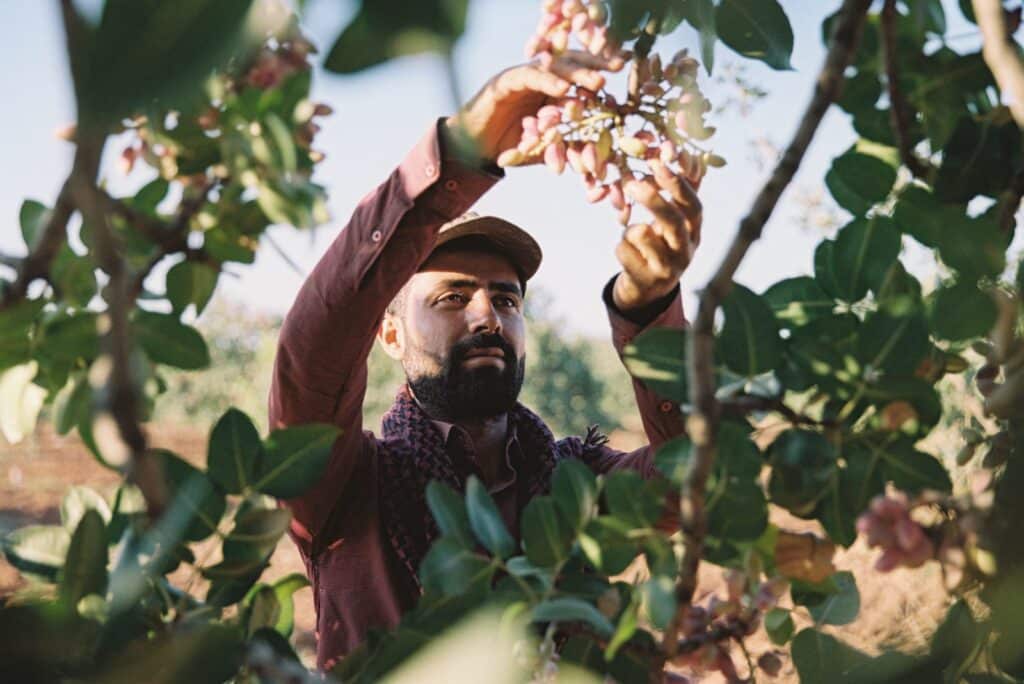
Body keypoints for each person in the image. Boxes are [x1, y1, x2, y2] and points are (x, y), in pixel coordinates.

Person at [268, 51, 702, 671]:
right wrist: (459, 154)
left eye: (506, 298)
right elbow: (314, 353)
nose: (487, 317)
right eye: (451, 298)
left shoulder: (581, 487)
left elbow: (700, 473)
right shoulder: (344, 486)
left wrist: (649, 311)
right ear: (388, 333)